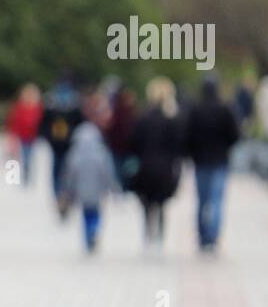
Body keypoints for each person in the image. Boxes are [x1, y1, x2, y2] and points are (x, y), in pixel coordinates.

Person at [184, 78, 240, 252]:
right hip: (219, 161)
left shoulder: (196, 110)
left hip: (200, 161)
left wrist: (192, 153)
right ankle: (213, 237)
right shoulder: (225, 110)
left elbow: (187, 135)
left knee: (202, 200)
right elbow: (235, 135)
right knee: (216, 200)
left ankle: (202, 236)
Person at [129, 77, 185, 249]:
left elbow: (134, 142)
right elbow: (178, 145)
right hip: (165, 167)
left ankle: (147, 232)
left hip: (146, 165)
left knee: (147, 202)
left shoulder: (143, 118)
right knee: (161, 203)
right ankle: (160, 234)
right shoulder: (171, 121)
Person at [61, 122, 119, 253]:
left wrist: (68, 190)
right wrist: (113, 189)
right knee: (96, 213)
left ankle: (88, 236)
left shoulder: (74, 155)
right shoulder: (102, 154)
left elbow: (69, 175)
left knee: (86, 214)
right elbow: (108, 173)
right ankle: (94, 229)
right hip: (97, 191)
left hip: (81, 191)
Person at [40, 81, 84, 217]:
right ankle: (64, 195)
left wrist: (49, 138)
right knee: (68, 172)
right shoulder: (74, 106)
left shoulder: (52, 105)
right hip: (67, 145)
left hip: (57, 145)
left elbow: (43, 125)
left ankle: (60, 195)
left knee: (57, 171)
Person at [4, 84, 43, 186]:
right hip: (21, 135)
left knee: (28, 155)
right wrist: (11, 134)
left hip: (32, 136)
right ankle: (23, 173)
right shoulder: (20, 106)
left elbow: (40, 121)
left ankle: (27, 172)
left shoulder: (37, 107)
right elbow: (14, 120)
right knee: (22, 155)